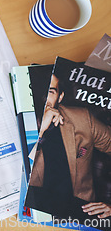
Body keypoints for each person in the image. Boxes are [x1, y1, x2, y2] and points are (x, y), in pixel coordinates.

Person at [29, 73, 111, 220]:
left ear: (60, 97)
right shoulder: (16, 123)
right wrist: (40, 133)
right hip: (36, 215)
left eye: (50, 92)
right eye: (40, 89)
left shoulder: (82, 119)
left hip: (81, 213)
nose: (44, 97)